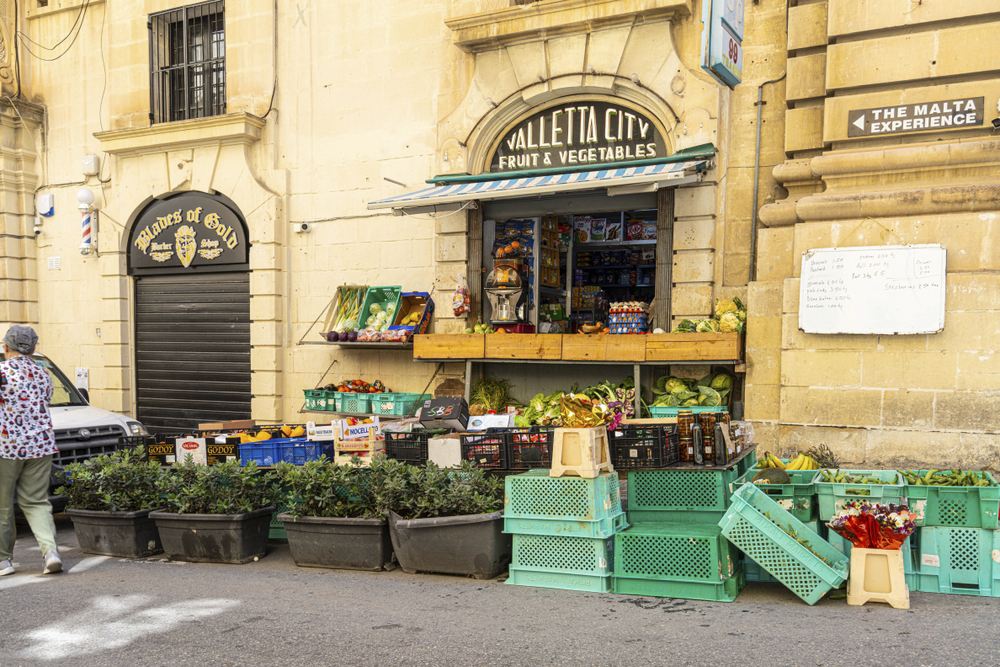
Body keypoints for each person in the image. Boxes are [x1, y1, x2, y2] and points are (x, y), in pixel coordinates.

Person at [0, 325, 61, 575]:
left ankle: (3, 561)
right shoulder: (43, 373)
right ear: (34, 349)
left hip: (6, 446)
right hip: (41, 444)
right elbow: (44, 401)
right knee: (37, 501)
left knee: (2, 504)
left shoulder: (2, 372)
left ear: (5, 347)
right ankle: (51, 552)